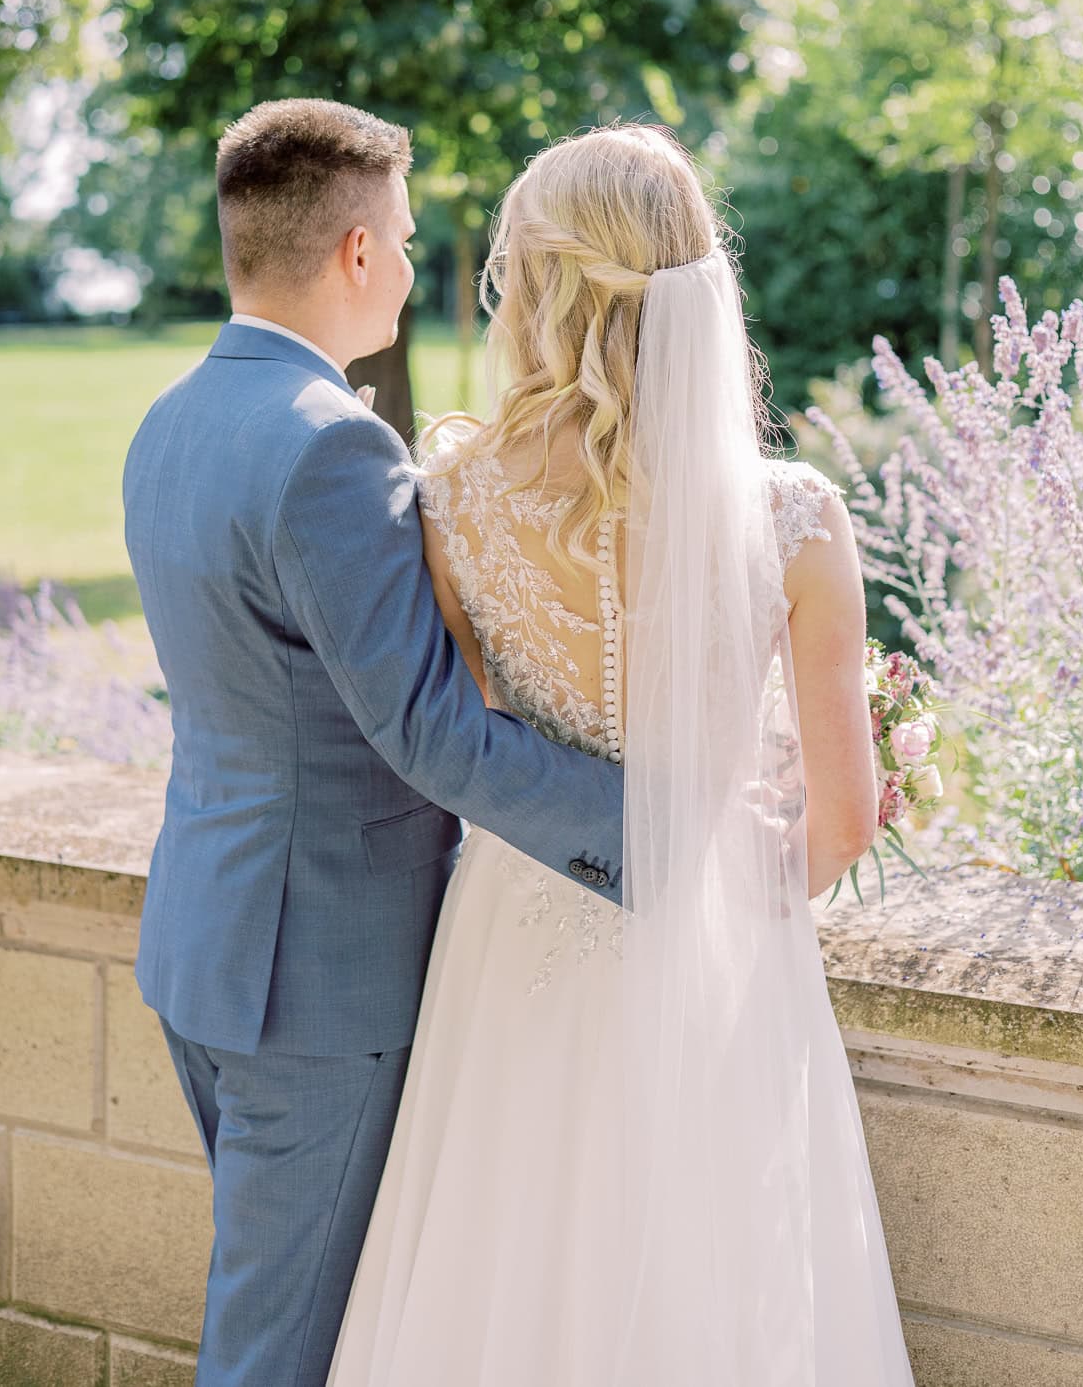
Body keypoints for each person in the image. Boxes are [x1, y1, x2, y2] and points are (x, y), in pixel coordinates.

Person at [327, 124, 917, 1386]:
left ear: (538, 287)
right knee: (715, 1283)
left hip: (513, 933)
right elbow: (844, 821)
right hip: (714, 943)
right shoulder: (797, 519)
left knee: (504, 1261)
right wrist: (733, 888)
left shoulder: (453, 498)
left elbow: (470, 742)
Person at [122, 98, 628, 1387]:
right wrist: (656, 826)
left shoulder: (169, 421)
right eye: (402, 239)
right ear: (356, 251)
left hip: (206, 946)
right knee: (278, 1352)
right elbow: (430, 734)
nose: (409, 264)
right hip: (318, 983)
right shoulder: (333, 446)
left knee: (279, 1315)